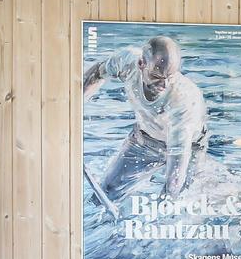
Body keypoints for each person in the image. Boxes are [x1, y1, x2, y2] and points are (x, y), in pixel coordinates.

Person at [81, 34, 210, 207]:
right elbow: (97, 73)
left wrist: (166, 205)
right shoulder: (127, 61)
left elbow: (177, 168)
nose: (164, 85)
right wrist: (73, 109)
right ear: (141, 64)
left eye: (170, 76)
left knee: (179, 204)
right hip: (145, 141)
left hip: (190, 147)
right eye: (157, 76)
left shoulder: (184, 99)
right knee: (103, 198)